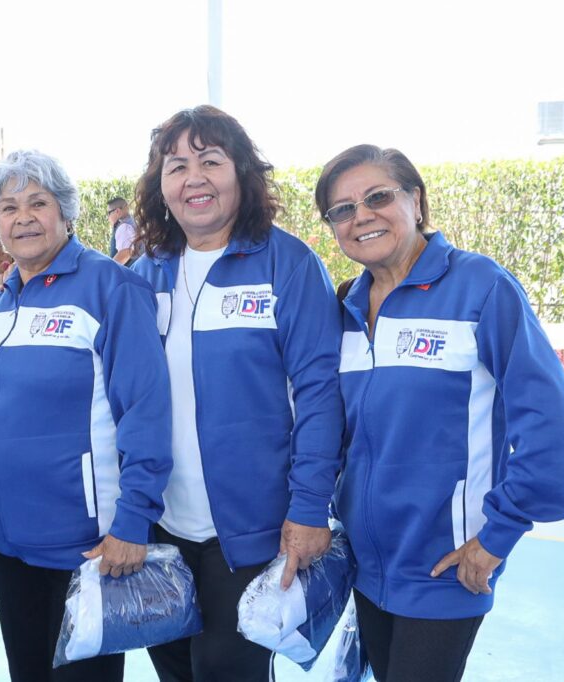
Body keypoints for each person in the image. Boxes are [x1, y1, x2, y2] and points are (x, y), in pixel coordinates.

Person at [317, 144, 564, 682]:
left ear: (415, 200)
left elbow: (552, 423)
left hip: (448, 566)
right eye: (342, 209)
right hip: (366, 569)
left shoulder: (482, 288)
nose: (360, 215)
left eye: (377, 196)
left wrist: (497, 536)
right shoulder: (344, 308)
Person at [130, 105, 345, 681]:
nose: (193, 178)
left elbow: (320, 395)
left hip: (253, 531)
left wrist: (308, 509)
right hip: (161, 526)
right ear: (161, 187)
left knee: (227, 669)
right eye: (176, 166)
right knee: (174, 667)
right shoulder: (143, 273)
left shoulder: (288, 265)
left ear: (240, 174)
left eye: (210, 161)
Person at [0, 150, 173, 682]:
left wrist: (133, 523)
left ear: (66, 212)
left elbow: (145, 414)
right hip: (10, 546)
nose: (24, 217)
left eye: (39, 202)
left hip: (89, 548)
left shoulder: (112, 287)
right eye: (8, 207)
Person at [107, 197, 138, 266]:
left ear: (117, 211)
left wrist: (108, 270)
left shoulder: (123, 227)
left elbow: (125, 253)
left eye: (108, 213)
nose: (108, 217)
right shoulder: (134, 221)